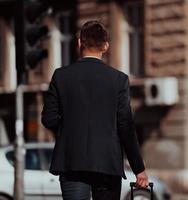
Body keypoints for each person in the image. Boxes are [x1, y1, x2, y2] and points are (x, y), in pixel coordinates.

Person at [41, 20, 148, 200]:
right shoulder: (118, 80)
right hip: (107, 164)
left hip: (71, 163)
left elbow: (48, 119)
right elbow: (126, 127)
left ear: (79, 43)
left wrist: (70, 126)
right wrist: (139, 169)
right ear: (105, 46)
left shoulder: (61, 76)